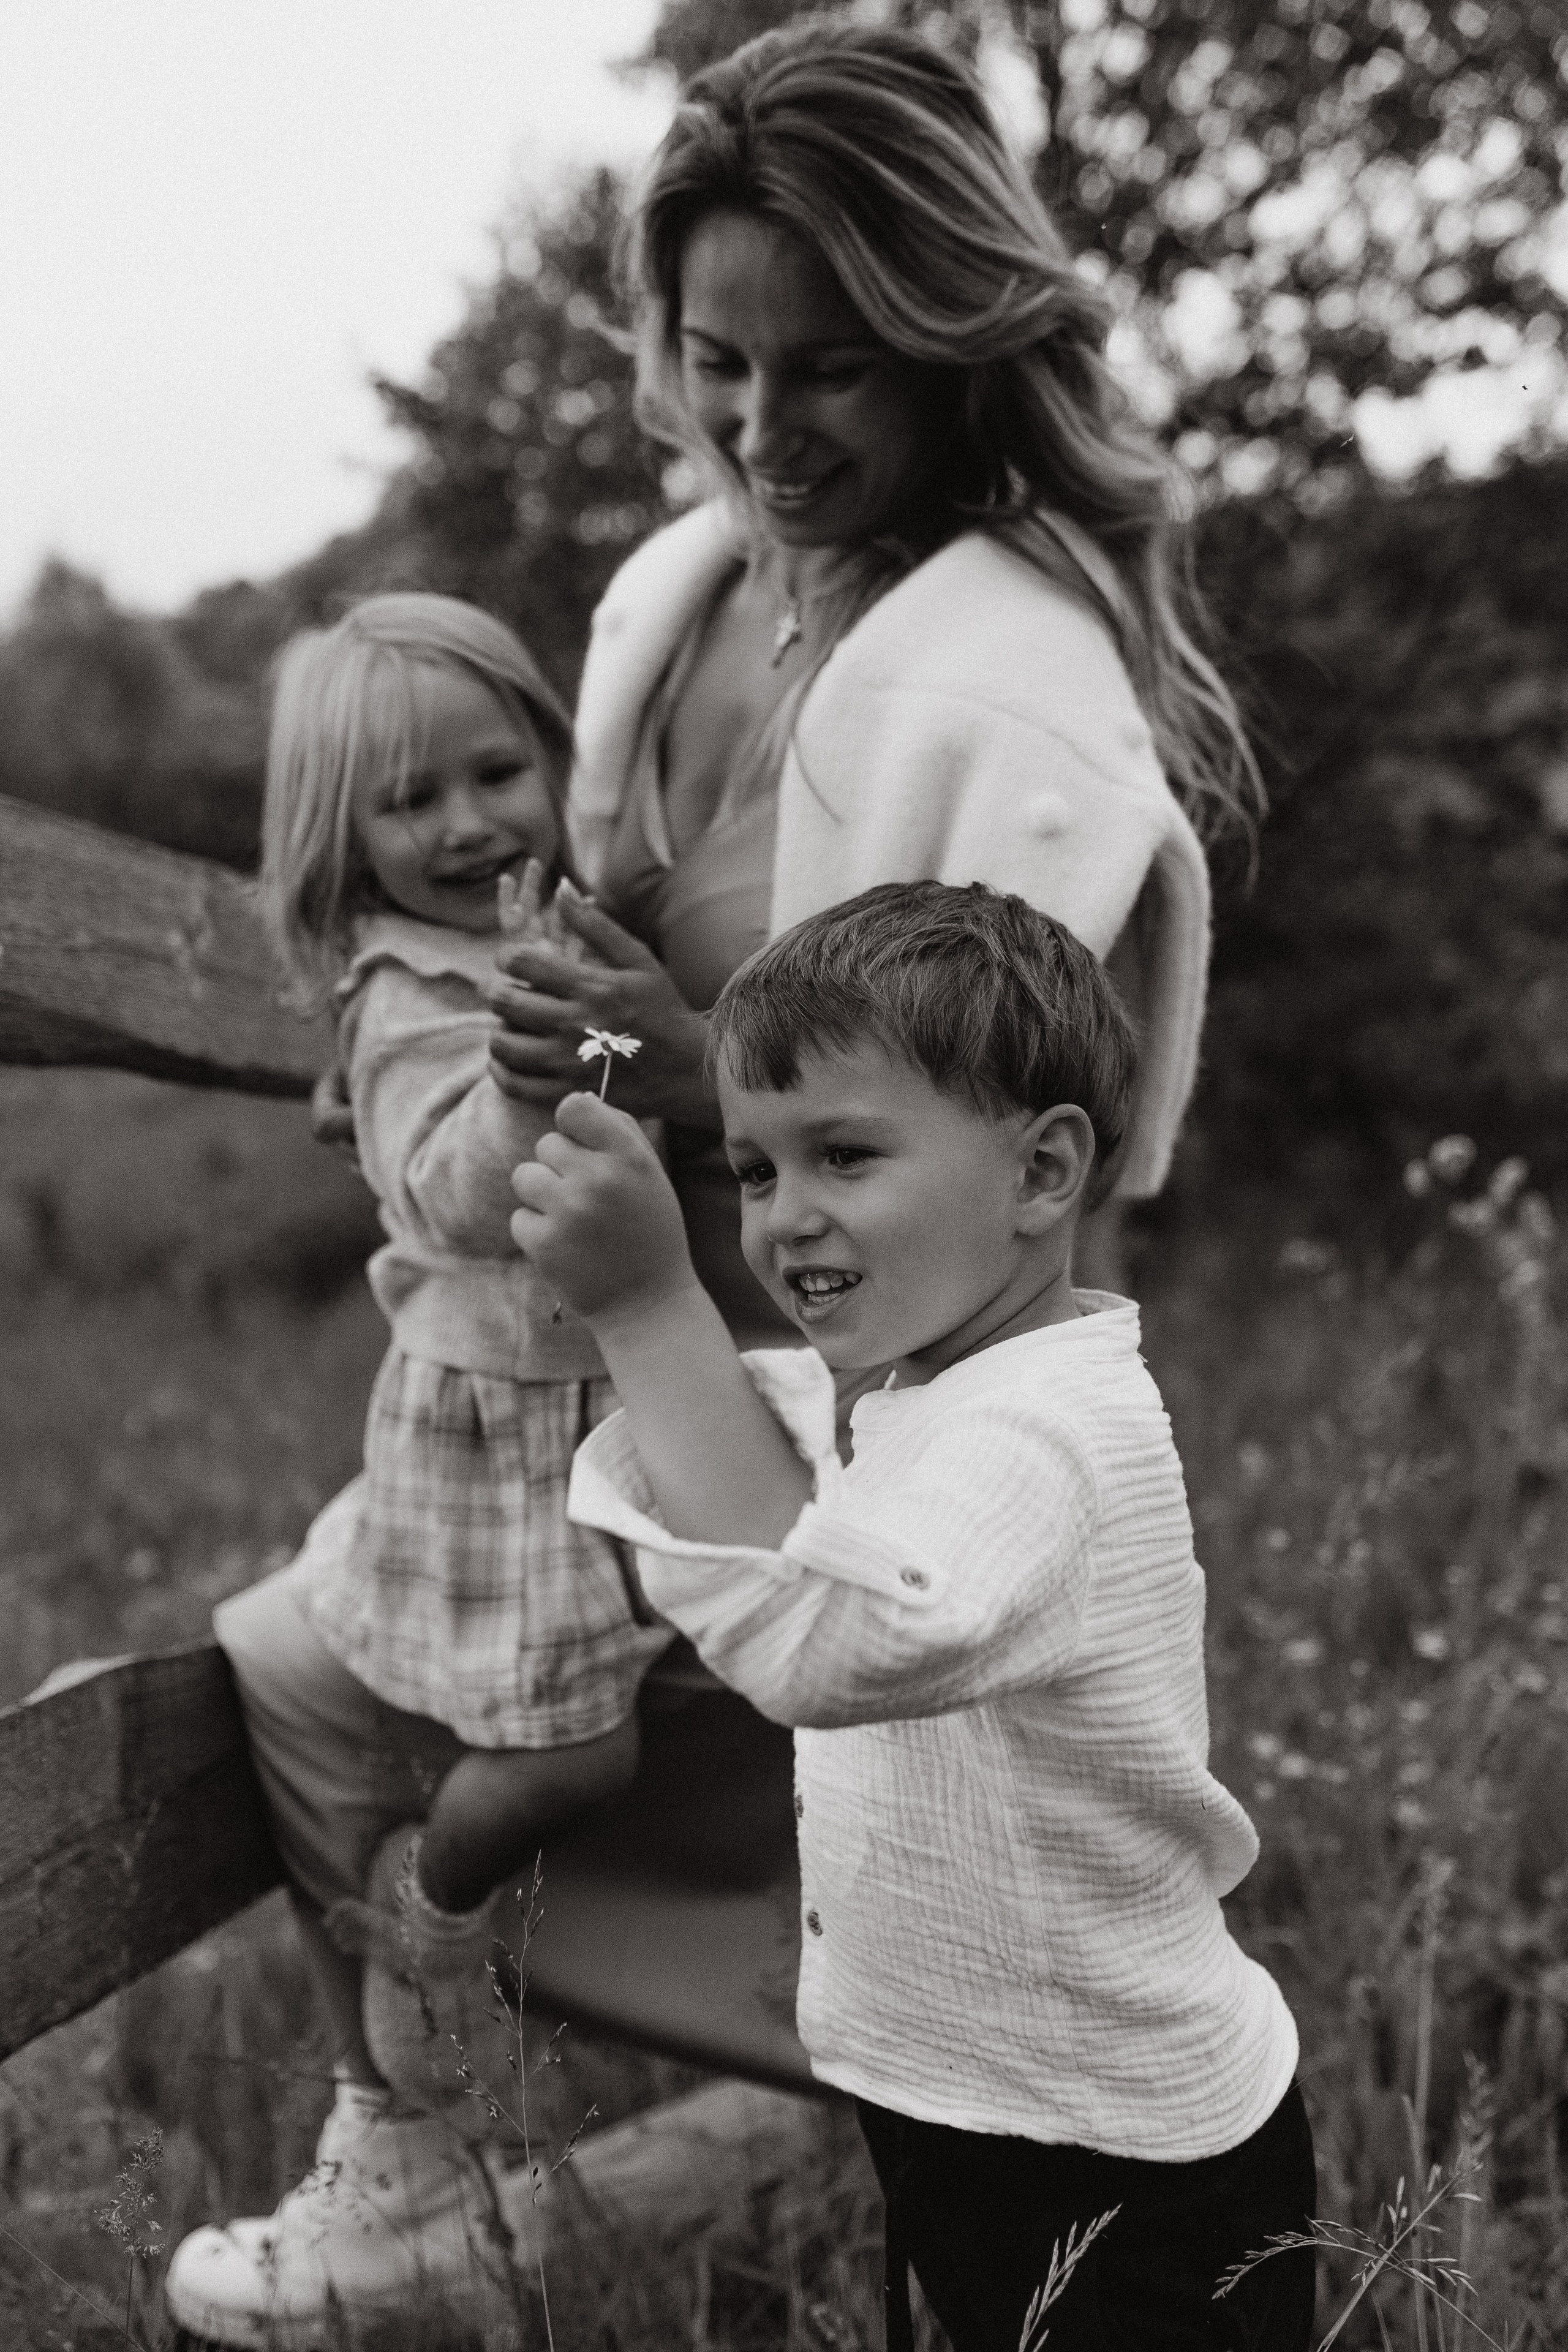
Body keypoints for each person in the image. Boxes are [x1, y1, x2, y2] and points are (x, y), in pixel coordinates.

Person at [513, 881, 1317, 2352]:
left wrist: (648, 1307)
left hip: (1119, 2156)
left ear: (1041, 1170)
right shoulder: (936, 1382)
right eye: (751, 1172)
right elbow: (792, 1521)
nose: (784, 1217)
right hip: (974, 2099)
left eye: (843, 1154)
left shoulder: (1040, 1437)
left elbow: (824, 1639)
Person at [482, 19, 1259, 1335]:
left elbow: (1036, 1196)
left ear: (948, 345)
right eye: (718, 361)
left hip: (863, 1470)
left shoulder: (1021, 703)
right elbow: (586, 1016)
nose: (762, 434)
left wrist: (691, 1072)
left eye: (832, 370)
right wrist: (436, 1063)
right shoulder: (668, 598)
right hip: (599, 1413)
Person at [165, 594, 677, 2346]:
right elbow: (458, 1192)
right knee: (572, 1750)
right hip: (497, 1430)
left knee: (637, 1710)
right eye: (411, 803)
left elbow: (644, 1094)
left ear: (549, 757)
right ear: (346, 840)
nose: (468, 825)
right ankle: (429, 1910)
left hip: (610, 1398)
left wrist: (615, 1021)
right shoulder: (399, 995)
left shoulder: (552, 929)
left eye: (494, 770)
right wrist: (541, 1068)